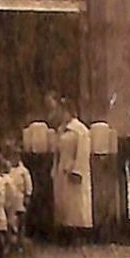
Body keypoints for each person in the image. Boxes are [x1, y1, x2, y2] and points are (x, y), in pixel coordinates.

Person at [49, 92, 94, 243]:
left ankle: (78, 235)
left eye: (62, 111)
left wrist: (77, 170)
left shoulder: (80, 131)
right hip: (62, 169)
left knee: (76, 205)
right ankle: (65, 233)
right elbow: (57, 151)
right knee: (63, 203)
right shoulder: (61, 130)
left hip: (73, 170)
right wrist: (55, 169)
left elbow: (82, 153)